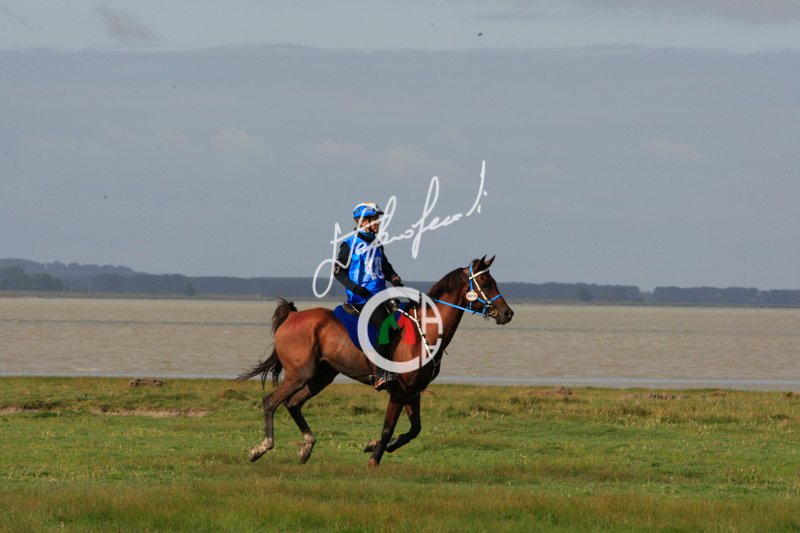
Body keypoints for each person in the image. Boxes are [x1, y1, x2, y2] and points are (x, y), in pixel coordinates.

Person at [334, 202, 403, 390]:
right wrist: (356, 289)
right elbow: (338, 272)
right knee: (385, 326)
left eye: (378, 219)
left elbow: (385, 266)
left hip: (381, 295)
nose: (378, 223)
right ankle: (380, 373)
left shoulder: (377, 243)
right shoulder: (349, 244)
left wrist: (394, 277)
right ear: (363, 221)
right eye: (375, 219)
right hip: (362, 299)